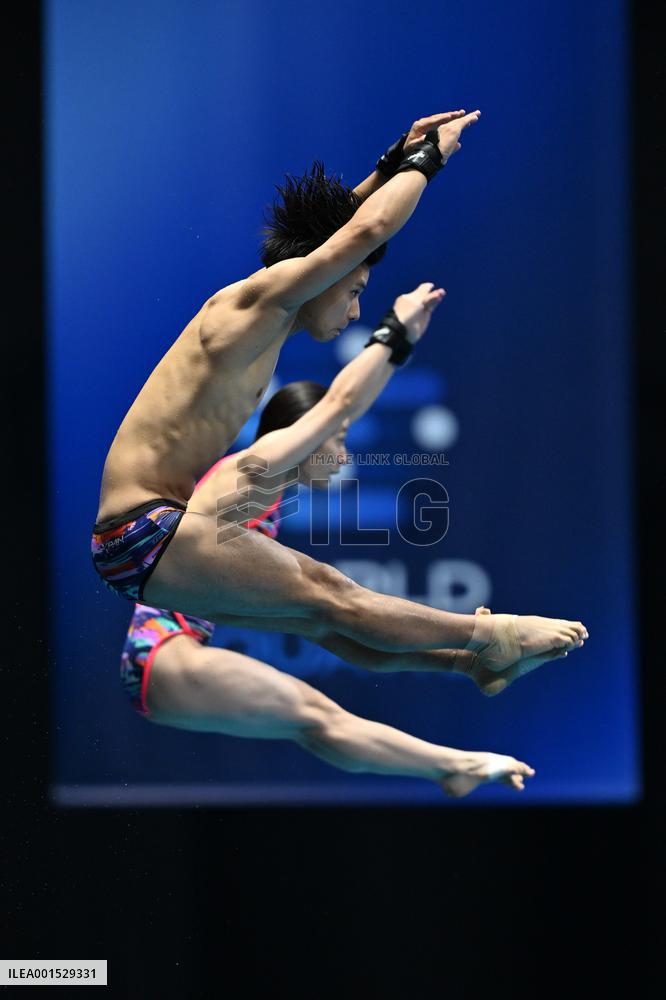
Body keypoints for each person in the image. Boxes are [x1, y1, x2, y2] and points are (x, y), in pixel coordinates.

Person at [92, 107, 588, 706]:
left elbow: (343, 237)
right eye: (354, 291)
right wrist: (428, 162)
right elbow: (360, 237)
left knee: (324, 620)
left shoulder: (263, 316)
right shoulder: (252, 307)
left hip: (143, 539)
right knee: (332, 593)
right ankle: (492, 635)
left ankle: (468, 663)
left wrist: (391, 162)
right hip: (145, 529)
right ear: (324, 273)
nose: (353, 308)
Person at [121, 284, 549, 796]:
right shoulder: (252, 476)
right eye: (338, 439)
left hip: (170, 658)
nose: (345, 454)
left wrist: (456, 662)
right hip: (165, 653)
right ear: (303, 431)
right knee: (319, 706)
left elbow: (343, 639)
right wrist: (396, 335)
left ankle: (465, 709)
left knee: (325, 664)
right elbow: (343, 401)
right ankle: (463, 749)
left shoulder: (268, 504)